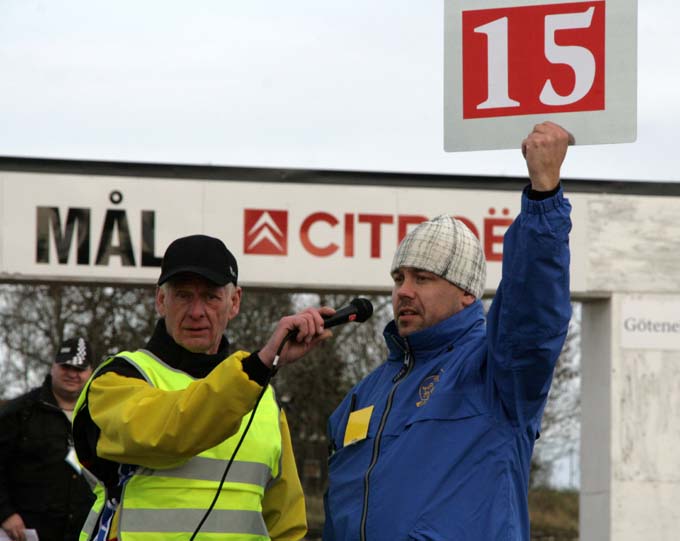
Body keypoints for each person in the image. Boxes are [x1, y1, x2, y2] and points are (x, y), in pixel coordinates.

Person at [323, 121, 574, 540]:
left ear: (465, 294)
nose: (403, 291)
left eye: (422, 278)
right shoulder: (363, 394)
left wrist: (544, 195)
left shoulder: (494, 373)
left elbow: (534, 311)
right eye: (398, 277)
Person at [72, 234, 333, 541]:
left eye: (210, 296)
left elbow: (285, 522)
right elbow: (173, 430)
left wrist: (256, 373)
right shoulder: (119, 378)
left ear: (234, 302)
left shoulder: (262, 398)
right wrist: (259, 366)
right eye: (183, 295)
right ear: (160, 300)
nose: (196, 311)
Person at [0, 337, 96, 541]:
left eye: (79, 369)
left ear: (90, 372)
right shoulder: (19, 413)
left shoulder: (99, 416)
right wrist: (5, 514)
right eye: (66, 366)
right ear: (53, 366)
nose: (72, 374)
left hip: (84, 532)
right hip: (25, 532)